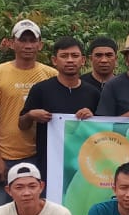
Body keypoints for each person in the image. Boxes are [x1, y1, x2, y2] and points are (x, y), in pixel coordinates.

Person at [0, 18, 56, 209]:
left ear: (40, 44)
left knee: (36, 212)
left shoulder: (51, 75)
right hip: (6, 155)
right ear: (11, 43)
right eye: (22, 40)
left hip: (39, 155)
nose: (28, 45)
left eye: (33, 40)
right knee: (0, 212)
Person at [20, 35, 101, 179]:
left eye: (74, 56)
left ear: (83, 60)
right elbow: (22, 125)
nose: (70, 60)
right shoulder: (41, 90)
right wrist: (31, 115)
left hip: (83, 166)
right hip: (49, 163)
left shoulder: (93, 93)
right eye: (64, 56)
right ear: (54, 60)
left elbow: (102, 130)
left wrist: (92, 117)